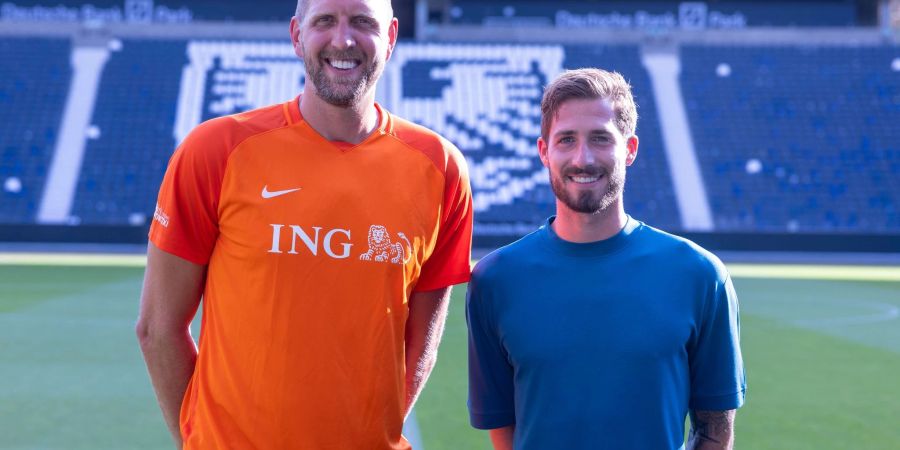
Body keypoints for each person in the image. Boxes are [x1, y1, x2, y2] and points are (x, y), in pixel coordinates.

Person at [136, 0, 473, 448]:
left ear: (390, 37)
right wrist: (199, 439)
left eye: (362, 22)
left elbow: (422, 340)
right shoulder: (215, 150)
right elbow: (158, 327)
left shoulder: (440, 167)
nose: (343, 39)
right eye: (325, 21)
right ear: (297, 35)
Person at [466, 68, 745, 450]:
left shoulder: (699, 275)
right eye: (566, 140)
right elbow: (504, 429)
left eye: (600, 139)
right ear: (544, 151)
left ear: (629, 149)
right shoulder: (495, 280)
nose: (583, 158)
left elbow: (716, 429)